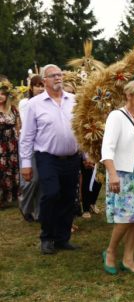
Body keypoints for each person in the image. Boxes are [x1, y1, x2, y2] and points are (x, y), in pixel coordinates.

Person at [20, 64, 82, 254]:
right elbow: (27, 136)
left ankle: (63, 238)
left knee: (69, 197)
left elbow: (82, 129)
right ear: (44, 80)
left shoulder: (74, 100)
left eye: (59, 75)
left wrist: (87, 155)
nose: (57, 78)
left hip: (72, 158)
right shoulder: (34, 104)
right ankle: (47, 237)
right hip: (47, 158)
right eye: (52, 75)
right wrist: (26, 164)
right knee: (51, 194)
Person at [100, 81, 134, 275]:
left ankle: (128, 258)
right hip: (122, 173)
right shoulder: (116, 116)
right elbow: (107, 148)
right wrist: (112, 174)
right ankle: (111, 251)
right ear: (129, 96)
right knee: (125, 216)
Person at [18, 75, 45, 220]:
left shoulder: (48, 102)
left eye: (42, 85)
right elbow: (27, 123)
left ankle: (40, 213)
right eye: (37, 86)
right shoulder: (25, 103)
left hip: (44, 144)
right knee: (31, 180)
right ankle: (25, 207)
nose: (40, 89)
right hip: (29, 144)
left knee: (41, 180)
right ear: (31, 88)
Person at [0, 77, 20, 210]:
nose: (0, 96)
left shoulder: (13, 109)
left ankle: (11, 196)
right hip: (0, 144)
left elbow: (18, 126)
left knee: (11, 169)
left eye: (2, 94)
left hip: (12, 144)